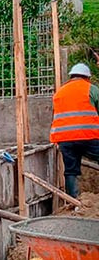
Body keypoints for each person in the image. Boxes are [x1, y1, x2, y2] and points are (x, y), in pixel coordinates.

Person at [50, 63, 99, 199]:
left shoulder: (59, 92)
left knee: (71, 170)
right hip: (89, 136)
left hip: (64, 139)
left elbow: (55, 115)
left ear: (71, 76)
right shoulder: (91, 89)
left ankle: (73, 200)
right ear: (87, 77)